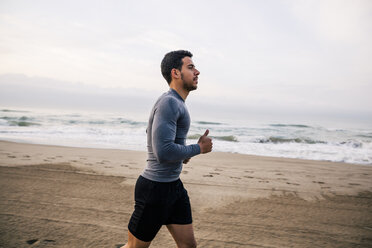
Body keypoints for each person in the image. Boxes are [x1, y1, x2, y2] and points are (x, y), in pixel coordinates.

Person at [122, 50, 213, 248]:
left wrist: (186, 154)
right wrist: (199, 148)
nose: (197, 72)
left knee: (188, 245)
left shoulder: (177, 103)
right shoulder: (169, 102)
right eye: (190, 67)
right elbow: (163, 152)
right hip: (154, 189)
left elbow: (166, 146)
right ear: (176, 73)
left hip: (174, 187)